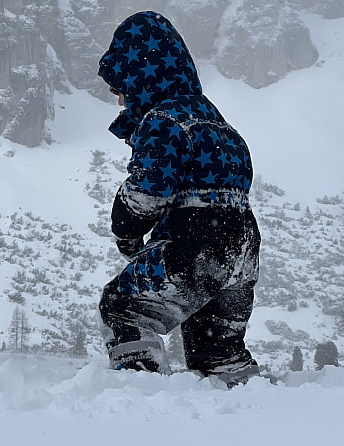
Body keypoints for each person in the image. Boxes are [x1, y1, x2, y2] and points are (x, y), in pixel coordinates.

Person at [96, 11, 261, 386]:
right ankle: (249, 400)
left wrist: (126, 231)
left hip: (197, 239)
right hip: (244, 245)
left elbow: (147, 192)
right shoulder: (218, 122)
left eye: (121, 86)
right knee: (216, 346)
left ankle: (142, 390)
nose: (119, 99)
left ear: (142, 75)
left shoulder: (163, 120)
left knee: (124, 308)